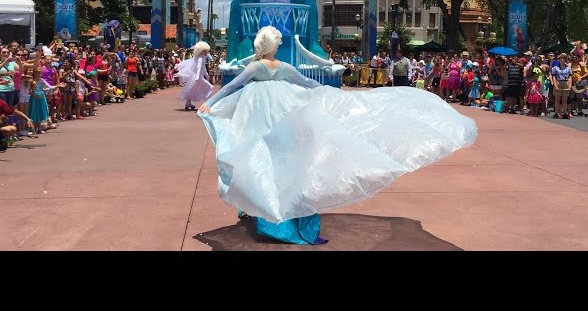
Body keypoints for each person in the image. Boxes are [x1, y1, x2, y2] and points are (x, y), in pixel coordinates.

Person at [197, 26, 477, 246]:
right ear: (273, 45)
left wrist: (212, 102)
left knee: (256, 157)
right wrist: (331, 92)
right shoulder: (281, 68)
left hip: (257, 115)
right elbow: (307, 83)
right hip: (280, 113)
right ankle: (269, 210)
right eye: (279, 41)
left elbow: (233, 85)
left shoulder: (258, 67)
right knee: (281, 160)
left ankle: (262, 210)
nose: (281, 44)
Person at [176, 41, 214, 110]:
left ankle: (188, 103)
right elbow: (199, 67)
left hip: (199, 77)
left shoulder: (203, 58)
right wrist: (197, 76)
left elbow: (203, 68)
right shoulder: (200, 58)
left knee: (192, 89)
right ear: (201, 51)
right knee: (210, 87)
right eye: (205, 51)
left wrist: (207, 75)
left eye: (206, 51)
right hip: (198, 77)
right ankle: (208, 103)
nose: (206, 52)